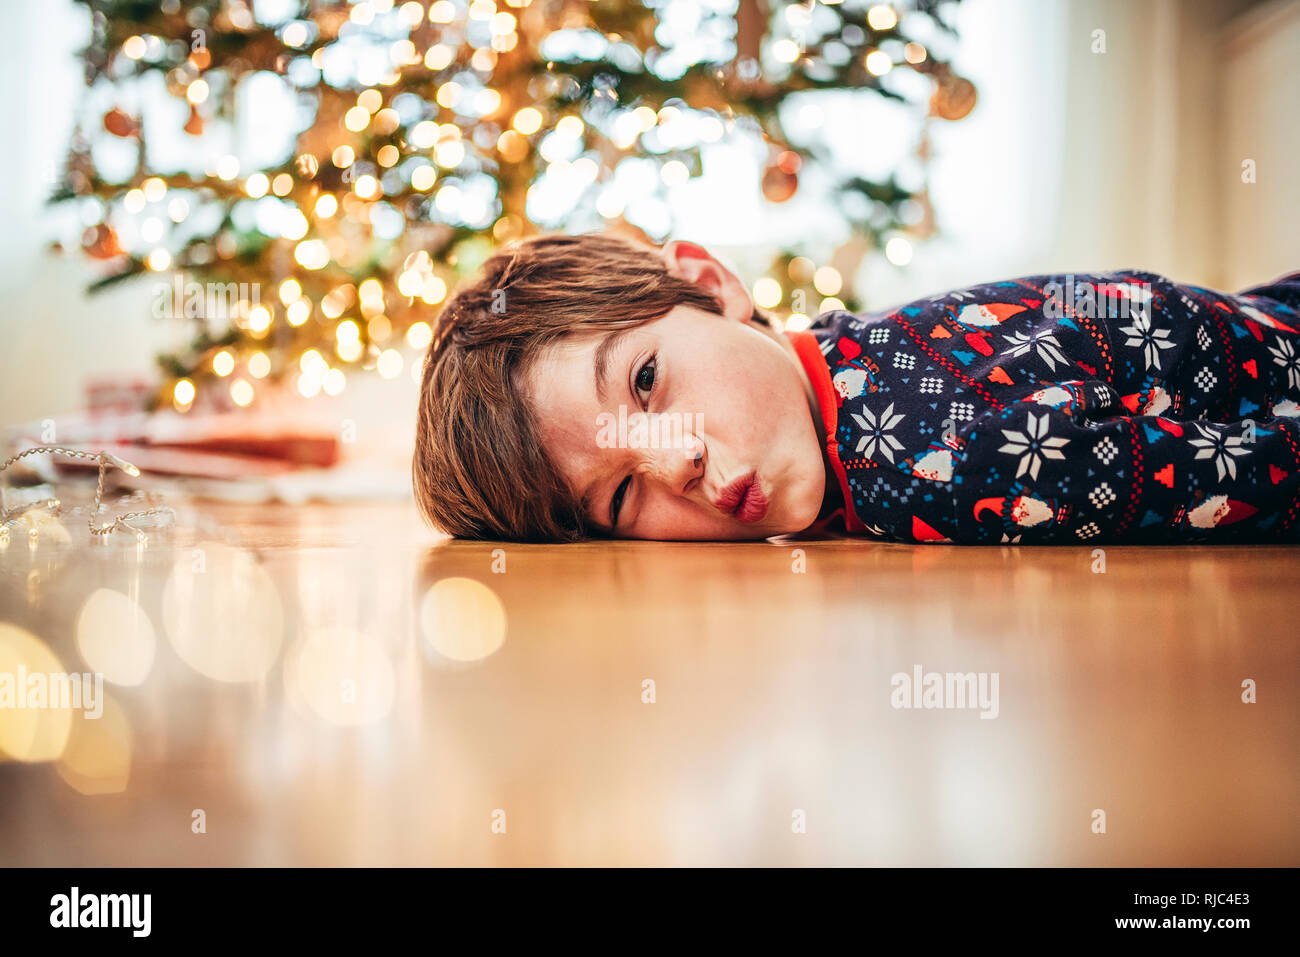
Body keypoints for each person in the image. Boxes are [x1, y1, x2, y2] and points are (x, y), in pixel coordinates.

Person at [413, 231, 1300, 544]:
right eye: (616, 498)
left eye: (646, 381)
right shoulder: (849, 360)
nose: (678, 458)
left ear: (710, 283)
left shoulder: (930, 468)